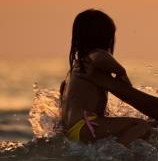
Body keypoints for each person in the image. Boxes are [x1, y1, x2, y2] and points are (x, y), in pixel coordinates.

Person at [60, 9, 151, 146]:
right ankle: (118, 153)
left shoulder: (73, 73)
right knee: (141, 126)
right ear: (107, 38)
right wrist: (121, 72)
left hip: (73, 129)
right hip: (85, 126)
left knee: (148, 125)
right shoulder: (95, 56)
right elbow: (99, 57)